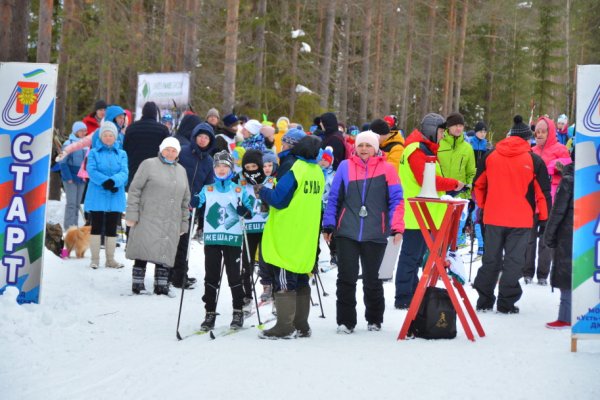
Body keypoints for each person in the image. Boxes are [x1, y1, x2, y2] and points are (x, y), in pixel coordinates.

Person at [323, 131, 405, 333]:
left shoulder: (388, 169)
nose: (364, 149)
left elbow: (397, 200)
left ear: (376, 148)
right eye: (360, 145)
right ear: (355, 147)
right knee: (346, 278)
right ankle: (345, 321)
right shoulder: (345, 166)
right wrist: (329, 224)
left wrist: (397, 227)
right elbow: (334, 198)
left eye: (368, 145)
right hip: (347, 232)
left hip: (376, 232)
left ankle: (374, 319)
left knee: (373, 279)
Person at [473, 115, 551, 314]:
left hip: (493, 217)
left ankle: (484, 300)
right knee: (514, 262)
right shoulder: (534, 160)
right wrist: (544, 218)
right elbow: (543, 193)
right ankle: (506, 303)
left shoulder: (490, 156)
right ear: (527, 139)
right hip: (521, 220)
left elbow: (478, 185)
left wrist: (484, 206)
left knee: (491, 259)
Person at [256, 136, 324, 339]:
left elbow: (279, 199)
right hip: (307, 233)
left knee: (285, 279)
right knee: (302, 276)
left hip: (288, 232)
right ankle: (301, 324)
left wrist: (263, 191)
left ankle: (285, 327)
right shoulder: (317, 172)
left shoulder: (296, 169)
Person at [394, 113, 462, 309]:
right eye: (441, 131)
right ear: (432, 130)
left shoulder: (424, 149)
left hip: (424, 214)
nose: (442, 136)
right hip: (416, 215)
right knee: (410, 258)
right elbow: (426, 180)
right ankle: (404, 297)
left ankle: (413, 294)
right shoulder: (416, 150)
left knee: (415, 259)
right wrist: (453, 184)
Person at [125, 137, 190, 295]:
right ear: (161, 149)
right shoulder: (148, 164)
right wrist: (132, 213)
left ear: (177, 153)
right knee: (143, 246)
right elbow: (135, 190)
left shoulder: (181, 170)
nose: (170, 153)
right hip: (148, 215)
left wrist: (183, 223)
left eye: (174, 150)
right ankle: (138, 282)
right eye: (167, 149)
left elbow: (185, 199)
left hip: (170, 218)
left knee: (164, 248)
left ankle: (161, 284)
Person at [197, 151, 253, 331]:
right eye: (218, 166)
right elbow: (198, 201)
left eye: (225, 166)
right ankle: (209, 313)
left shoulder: (238, 189)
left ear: (230, 168)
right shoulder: (208, 189)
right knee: (211, 275)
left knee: (234, 276)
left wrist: (245, 210)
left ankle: (238, 311)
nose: (221, 170)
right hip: (212, 238)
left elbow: (249, 210)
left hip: (233, 239)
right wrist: (194, 200)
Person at [524, 116, 570, 285]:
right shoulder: (532, 150)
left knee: (546, 239)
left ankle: (543, 274)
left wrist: (553, 167)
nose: (540, 135)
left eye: (543, 132)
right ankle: (527, 272)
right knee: (528, 239)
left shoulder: (560, 149)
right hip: (532, 200)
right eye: (537, 132)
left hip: (550, 201)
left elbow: (567, 167)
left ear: (550, 132)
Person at [171, 122, 216, 289]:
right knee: (171, 239)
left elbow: (208, 186)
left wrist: (200, 198)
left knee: (183, 241)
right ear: (195, 137)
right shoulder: (182, 152)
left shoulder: (209, 161)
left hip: (190, 206)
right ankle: (167, 272)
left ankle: (180, 275)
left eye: (206, 138)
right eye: (200, 136)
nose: (203, 140)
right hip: (173, 201)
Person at [84, 122, 128, 269]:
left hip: (115, 194)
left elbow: (124, 172)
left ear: (115, 137)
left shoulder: (122, 153)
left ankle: (110, 259)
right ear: (101, 137)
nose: (108, 138)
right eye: (105, 135)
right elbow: (91, 170)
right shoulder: (94, 152)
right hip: (97, 192)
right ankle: (94, 259)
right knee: (96, 225)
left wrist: (114, 182)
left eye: (111, 135)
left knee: (111, 227)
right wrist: (105, 182)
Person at [237, 149, 275, 311]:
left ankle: (269, 288)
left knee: (268, 261)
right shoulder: (239, 181)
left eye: (254, 166)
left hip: (266, 227)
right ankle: (246, 294)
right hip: (249, 227)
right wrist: (239, 209)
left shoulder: (270, 180)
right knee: (247, 262)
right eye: (248, 166)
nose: (251, 169)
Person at [437, 112, 476, 247]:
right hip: (439, 196)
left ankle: (450, 263)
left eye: (461, 125)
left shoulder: (468, 148)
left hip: (458, 197)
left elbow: (471, 173)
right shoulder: (439, 145)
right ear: (448, 127)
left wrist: (468, 194)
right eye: (455, 125)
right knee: (437, 234)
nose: (458, 128)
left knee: (453, 237)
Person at [543, 161, 574, 329]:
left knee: (566, 272)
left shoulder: (569, 180)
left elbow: (558, 211)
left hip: (568, 233)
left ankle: (565, 316)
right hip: (591, 232)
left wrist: (549, 235)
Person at [122, 101, 170, 190]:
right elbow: (167, 152)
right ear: (155, 114)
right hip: (155, 171)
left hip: (134, 169)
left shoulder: (131, 128)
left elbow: (125, 149)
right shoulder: (162, 130)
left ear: (143, 112)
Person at [60, 121, 88, 229]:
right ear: (75, 131)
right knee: (71, 204)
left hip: (81, 177)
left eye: (85, 131)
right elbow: (62, 162)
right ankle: (68, 227)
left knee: (77, 204)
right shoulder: (68, 144)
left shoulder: (85, 144)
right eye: (81, 130)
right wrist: (68, 177)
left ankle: (74, 226)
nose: (83, 133)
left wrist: (85, 175)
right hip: (70, 177)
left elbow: (87, 161)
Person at [469, 121, 489, 256]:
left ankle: (481, 245)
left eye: (484, 131)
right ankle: (460, 240)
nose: (483, 133)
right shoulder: (470, 143)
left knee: (478, 214)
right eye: (480, 131)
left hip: (481, 182)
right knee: (469, 214)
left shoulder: (487, 145)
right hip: (471, 180)